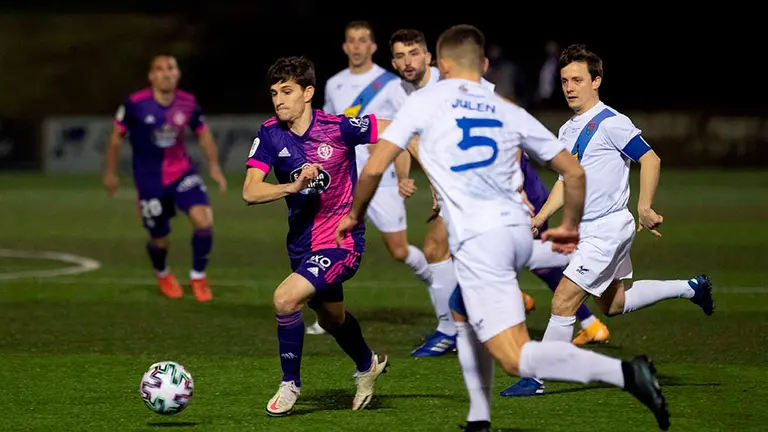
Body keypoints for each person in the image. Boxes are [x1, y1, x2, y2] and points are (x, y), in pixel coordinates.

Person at [337, 26, 671, 432]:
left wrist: (355, 214)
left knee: (514, 356)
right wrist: (559, 220)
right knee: (461, 307)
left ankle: (627, 374)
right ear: (483, 65)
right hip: (513, 229)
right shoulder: (506, 108)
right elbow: (570, 170)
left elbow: (374, 167)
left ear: (442, 66)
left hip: (483, 238)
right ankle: (479, 416)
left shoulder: (423, 102)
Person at [502, 43, 715, 398]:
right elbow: (565, 182)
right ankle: (692, 287)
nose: (569, 87)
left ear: (596, 80)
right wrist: (540, 217)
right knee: (614, 304)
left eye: (578, 80)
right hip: (587, 230)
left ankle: (536, 377)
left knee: (563, 300)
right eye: (565, 81)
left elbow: (650, 159)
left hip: (608, 228)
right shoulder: (567, 130)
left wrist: (645, 206)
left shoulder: (612, 122)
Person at [386, 29, 609, 359]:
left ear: (431, 58)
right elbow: (412, 141)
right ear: (393, 62)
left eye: (414, 53)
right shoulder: (399, 93)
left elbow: (506, 121)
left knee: (527, 249)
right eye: (400, 56)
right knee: (452, 249)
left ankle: (596, 281)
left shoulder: (456, 78)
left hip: (505, 180)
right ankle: (564, 312)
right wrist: (428, 181)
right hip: (464, 188)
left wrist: (515, 186)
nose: (408, 62)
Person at [242, 56, 389, 417]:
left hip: (341, 243)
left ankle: (290, 384)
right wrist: (292, 186)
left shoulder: (338, 128)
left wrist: (429, 176)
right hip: (301, 246)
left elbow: (398, 130)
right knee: (331, 319)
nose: (279, 100)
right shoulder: (269, 133)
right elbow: (250, 191)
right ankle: (367, 363)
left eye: (287, 91)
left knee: (284, 299)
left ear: (307, 93)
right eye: (274, 93)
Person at [307, 20, 430, 336]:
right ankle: (328, 315)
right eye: (352, 40)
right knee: (329, 244)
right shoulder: (334, 84)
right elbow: (328, 131)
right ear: (345, 46)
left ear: (373, 46)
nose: (357, 46)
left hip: (382, 179)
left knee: (399, 250)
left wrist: (403, 174)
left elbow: (407, 131)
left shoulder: (391, 84)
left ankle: (440, 280)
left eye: (363, 40)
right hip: (343, 180)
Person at [103, 54, 226, 302]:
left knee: (204, 222)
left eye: (171, 68)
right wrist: (110, 172)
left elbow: (203, 134)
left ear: (178, 73)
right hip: (150, 180)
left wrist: (214, 166)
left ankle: (198, 276)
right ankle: (163, 273)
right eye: (160, 69)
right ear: (151, 76)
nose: (166, 73)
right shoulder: (135, 103)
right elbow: (116, 138)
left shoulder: (188, 102)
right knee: (159, 241)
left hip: (182, 172)